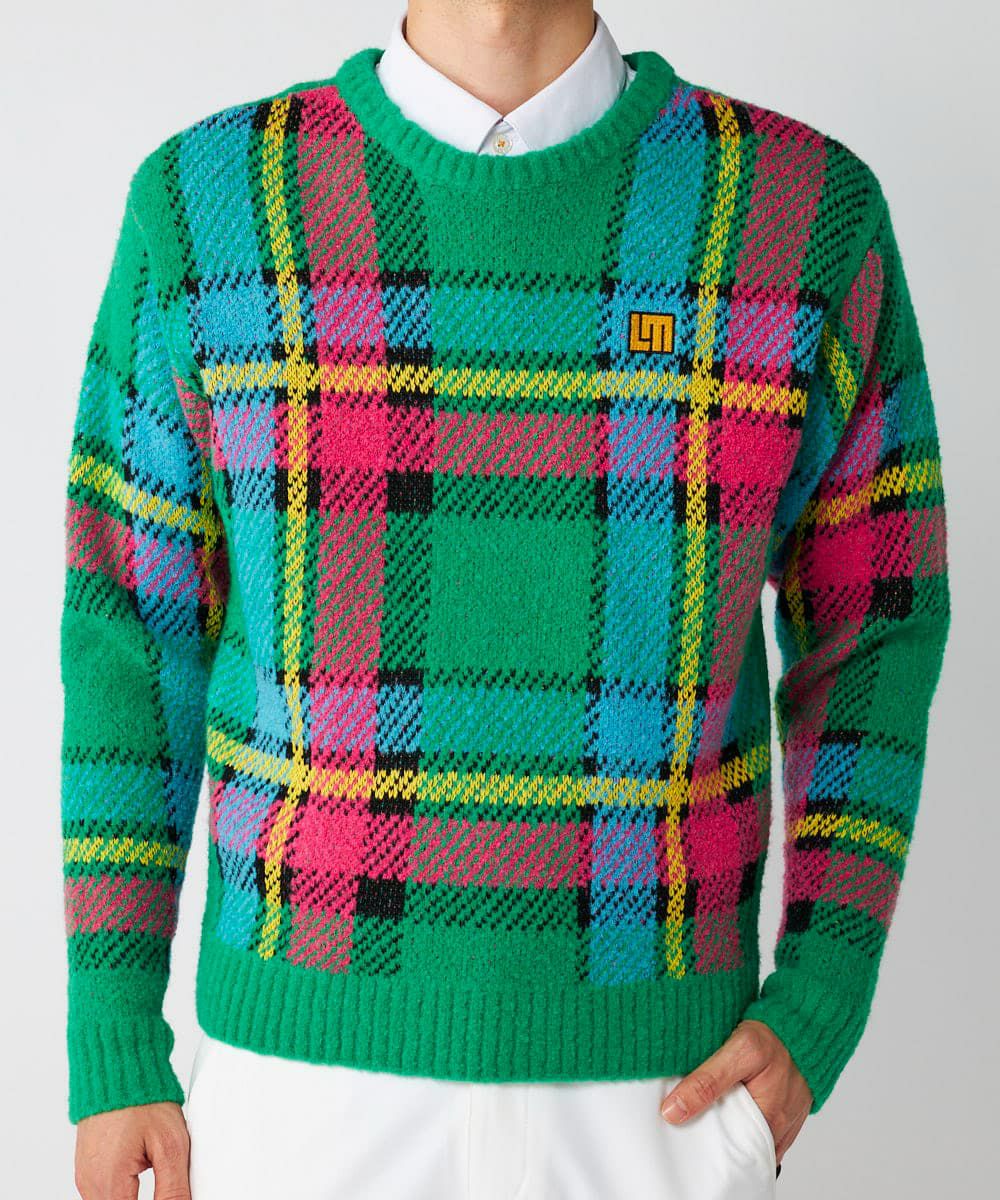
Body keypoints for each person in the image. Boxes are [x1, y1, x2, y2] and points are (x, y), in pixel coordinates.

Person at [60, 3, 951, 1198]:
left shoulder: (799, 211)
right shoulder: (206, 201)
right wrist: (113, 1033)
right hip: (300, 1094)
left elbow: (877, 625)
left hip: (659, 1099)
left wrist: (822, 997)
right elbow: (130, 632)